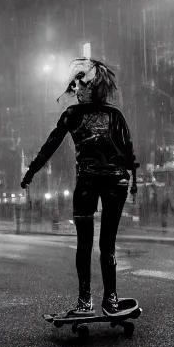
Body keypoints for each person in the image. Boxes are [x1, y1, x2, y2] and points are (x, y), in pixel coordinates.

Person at [20, 58, 137, 318]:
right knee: (108, 245)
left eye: (78, 85)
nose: (75, 90)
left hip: (88, 182)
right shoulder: (115, 115)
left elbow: (50, 145)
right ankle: (111, 300)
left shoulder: (72, 115)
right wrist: (131, 179)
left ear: (89, 86)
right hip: (115, 183)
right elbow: (127, 151)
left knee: (84, 245)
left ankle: (86, 302)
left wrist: (31, 171)